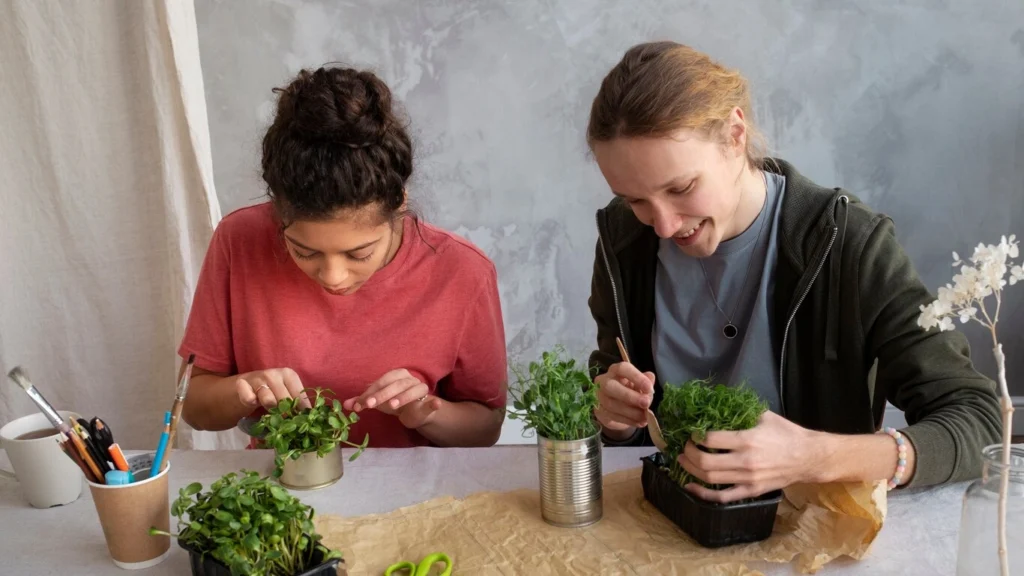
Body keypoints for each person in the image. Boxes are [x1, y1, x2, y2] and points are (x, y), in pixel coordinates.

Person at [585, 41, 1001, 502]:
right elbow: (613, 402)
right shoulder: (624, 243)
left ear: (735, 136)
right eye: (636, 199)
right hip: (666, 524)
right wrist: (612, 416)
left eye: (681, 187)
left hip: (814, 537)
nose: (662, 224)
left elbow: (979, 420)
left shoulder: (849, 244)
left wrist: (815, 457)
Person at [179, 65, 508, 448]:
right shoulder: (239, 242)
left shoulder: (463, 271)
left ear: (399, 204)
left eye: (359, 253)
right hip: (281, 489)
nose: (333, 276)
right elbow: (194, 407)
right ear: (277, 212)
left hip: (415, 499)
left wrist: (426, 410)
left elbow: (486, 428)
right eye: (304, 251)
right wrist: (242, 389)